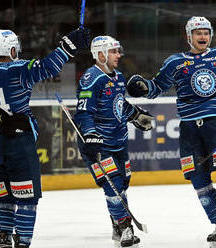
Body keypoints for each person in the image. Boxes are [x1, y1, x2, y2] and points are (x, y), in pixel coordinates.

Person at [126, 16, 216, 247]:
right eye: (198, 33)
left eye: (206, 32)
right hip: (189, 129)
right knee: (199, 181)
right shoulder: (175, 62)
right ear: (188, 36)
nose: (203, 37)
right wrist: (141, 87)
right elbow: (155, 88)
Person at [0, 27, 90, 248]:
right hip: (17, 144)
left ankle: (4, 240)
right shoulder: (16, 69)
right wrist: (67, 47)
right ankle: (22, 242)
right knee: (27, 198)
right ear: (9, 49)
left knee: (5, 196)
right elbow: (47, 67)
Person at [74, 35, 153, 248]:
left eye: (118, 51)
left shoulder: (117, 76)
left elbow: (118, 104)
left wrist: (135, 115)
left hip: (119, 141)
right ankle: (124, 226)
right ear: (100, 55)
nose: (119, 55)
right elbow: (83, 112)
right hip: (99, 145)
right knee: (114, 185)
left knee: (123, 183)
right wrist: (90, 134)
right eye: (113, 51)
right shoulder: (92, 78)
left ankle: (117, 223)